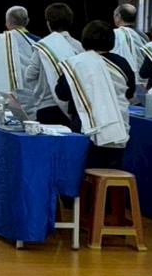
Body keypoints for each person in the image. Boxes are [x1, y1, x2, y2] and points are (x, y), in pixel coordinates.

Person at [55, 20, 137, 169]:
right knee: (111, 173)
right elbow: (130, 93)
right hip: (117, 127)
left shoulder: (76, 63)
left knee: (82, 172)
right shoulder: (122, 63)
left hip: (84, 126)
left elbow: (62, 94)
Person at [29, 2, 83, 123]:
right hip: (72, 106)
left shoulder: (42, 46)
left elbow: (29, 75)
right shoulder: (78, 46)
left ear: (48, 22)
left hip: (46, 106)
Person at [0, 5, 38, 102]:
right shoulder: (38, 43)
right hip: (35, 98)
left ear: (7, 22)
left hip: (5, 100)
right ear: (27, 21)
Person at [110, 3, 147, 71]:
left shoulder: (114, 34)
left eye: (114, 15)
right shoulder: (143, 36)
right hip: (142, 75)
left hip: (121, 73)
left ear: (118, 17)